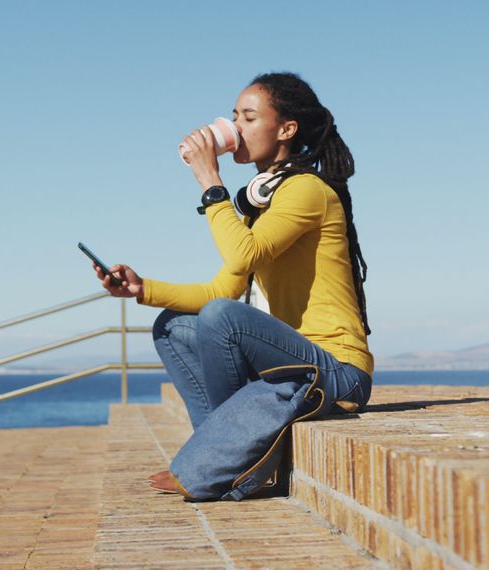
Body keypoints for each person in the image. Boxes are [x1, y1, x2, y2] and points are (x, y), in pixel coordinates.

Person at [92, 72, 373, 497]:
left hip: (338, 370)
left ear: (286, 130)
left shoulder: (306, 191)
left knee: (222, 319)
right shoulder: (263, 203)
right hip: (293, 362)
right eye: (233, 117)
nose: (235, 128)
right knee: (173, 327)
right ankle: (220, 454)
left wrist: (210, 181)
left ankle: (216, 461)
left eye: (248, 117)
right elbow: (219, 291)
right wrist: (141, 289)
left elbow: (242, 259)